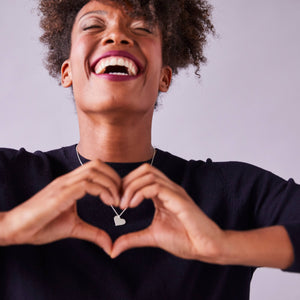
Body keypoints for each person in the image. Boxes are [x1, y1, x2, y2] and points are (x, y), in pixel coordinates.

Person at [0, 0, 299, 299]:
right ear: (67, 72)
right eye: (93, 25)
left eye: (142, 28)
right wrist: (10, 225)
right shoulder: (9, 176)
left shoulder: (232, 191)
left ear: (164, 78)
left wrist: (223, 245)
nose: (117, 36)